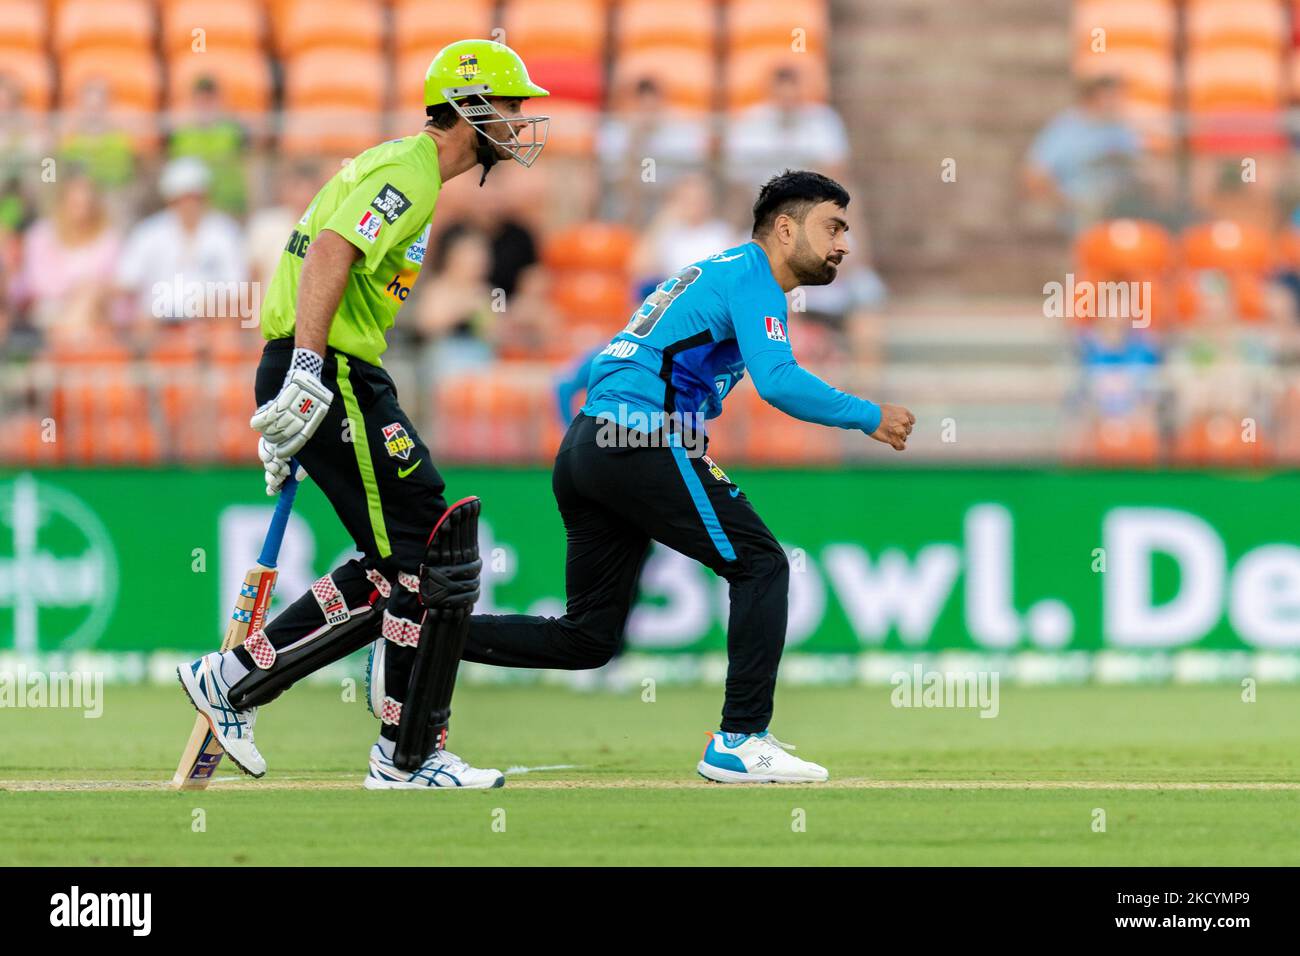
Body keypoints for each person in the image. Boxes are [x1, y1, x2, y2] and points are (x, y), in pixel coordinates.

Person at [174, 39, 550, 791]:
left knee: (405, 562)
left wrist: (296, 380)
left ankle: (248, 683)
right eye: (511, 107)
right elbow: (331, 255)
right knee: (427, 552)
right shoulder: (409, 171)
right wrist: (309, 369)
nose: (519, 123)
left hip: (334, 371)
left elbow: (325, 256)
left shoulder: (408, 172)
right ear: (472, 109)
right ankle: (398, 752)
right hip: (336, 371)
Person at [460, 170, 915, 783]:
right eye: (832, 227)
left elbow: (599, 361)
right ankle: (740, 739)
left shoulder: (713, 270)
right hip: (642, 436)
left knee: (589, 639)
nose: (842, 244)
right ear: (785, 228)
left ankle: (421, 636)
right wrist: (869, 415)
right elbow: (778, 381)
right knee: (762, 564)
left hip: (591, 446)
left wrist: (592, 421)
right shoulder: (754, 275)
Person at [113, 157, 246, 340]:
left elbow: (238, 288)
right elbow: (126, 282)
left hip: (209, 321)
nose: (188, 204)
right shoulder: (148, 233)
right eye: (182, 198)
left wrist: (206, 309)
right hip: (158, 324)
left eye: (194, 197)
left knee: (227, 328)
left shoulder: (224, 232)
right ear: (170, 199)